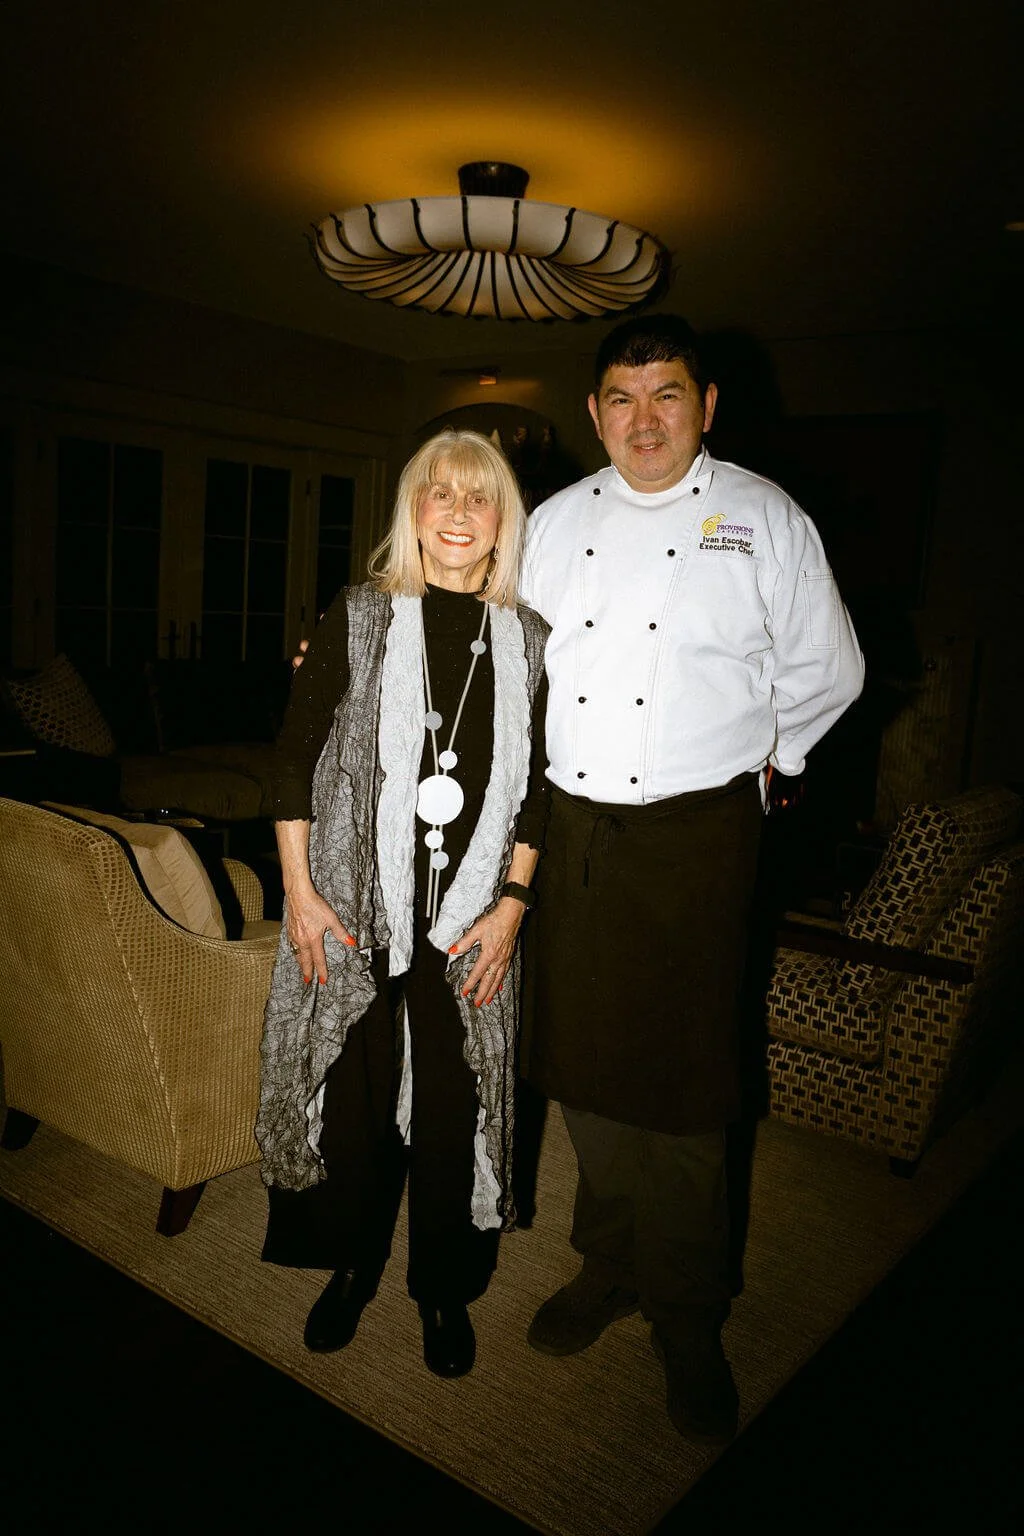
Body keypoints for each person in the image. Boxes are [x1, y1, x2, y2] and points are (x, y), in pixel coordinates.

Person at [518, 314, 864, 1442]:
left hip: (698, 833)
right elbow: (511, 669)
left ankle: (688, 1311)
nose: (644, 420)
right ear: (594, 414)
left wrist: (777, 763)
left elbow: (830, 669)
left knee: (684, 1086)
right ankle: (607, 1263)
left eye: (666, 394)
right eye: (621, 399)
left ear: (706, 405)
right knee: (579, 1063)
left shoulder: (764, 517)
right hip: (570, 827)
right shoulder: (556, 522)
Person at [256, 429, 549, 1379]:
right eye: (441, 495)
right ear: (412, 511)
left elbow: (543, 789)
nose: (459, 515)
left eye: (480, 498)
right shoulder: (358, 615)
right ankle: (352, 1263)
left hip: (471, 919)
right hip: (353, 905)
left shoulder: (531, 643)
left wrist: (509, 909)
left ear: (503, 521)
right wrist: (299, 892)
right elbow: (294, 760)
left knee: (458, 1102)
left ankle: (441, 1287)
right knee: (355, 1097)